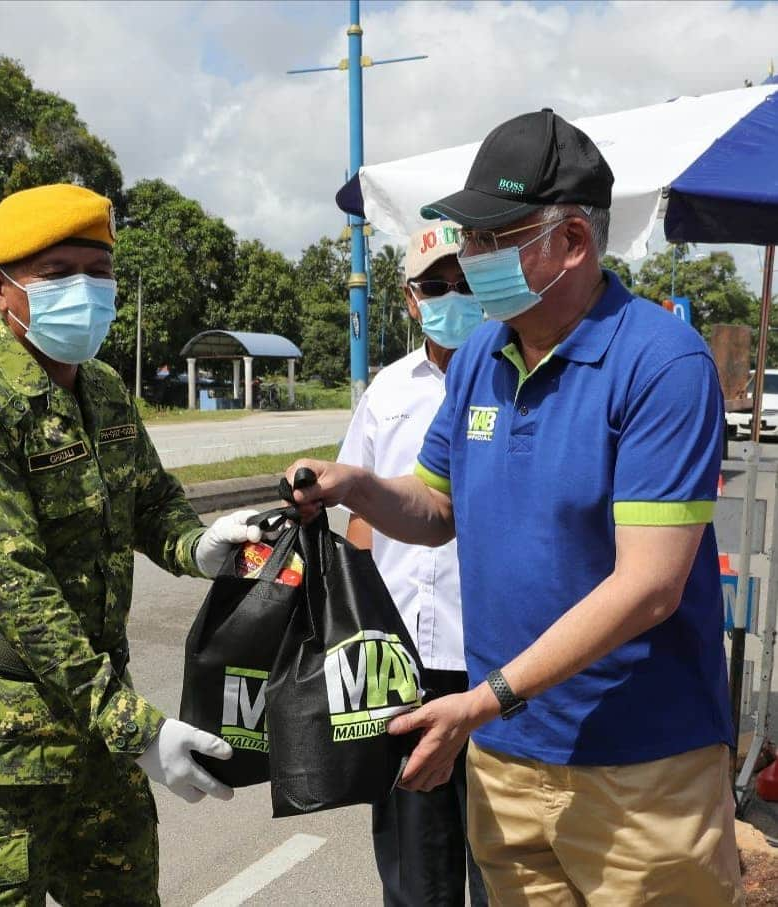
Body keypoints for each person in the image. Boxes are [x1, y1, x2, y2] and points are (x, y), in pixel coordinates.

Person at [288, 110, 742, 905]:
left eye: (493, 237)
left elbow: (650, 585)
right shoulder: (479, 362)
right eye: (468, 237)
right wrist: (353, 485)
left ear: (571, 242)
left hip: (639, 766)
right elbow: (432, 507)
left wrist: (485, 696)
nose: (469, 258)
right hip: (506, 758)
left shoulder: (659, 362)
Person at [0, 184, 262, 905]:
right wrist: (135, 727)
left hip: (97, 744)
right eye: (60, 272)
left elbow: (150, 500)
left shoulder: (100, 388)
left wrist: (198, 546)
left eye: (99, 272)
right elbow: (19, 591)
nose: (88, 290)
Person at [337, 223, 487, 907]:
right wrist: (362, 630)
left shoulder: (514, 382)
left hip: (496, 663)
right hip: (401, 664)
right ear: (409, 298)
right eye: (436, 286)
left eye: (465, 283)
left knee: (503, 861)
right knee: (413, 871)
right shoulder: (387, 390)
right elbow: (361, 517)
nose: (451, 296)